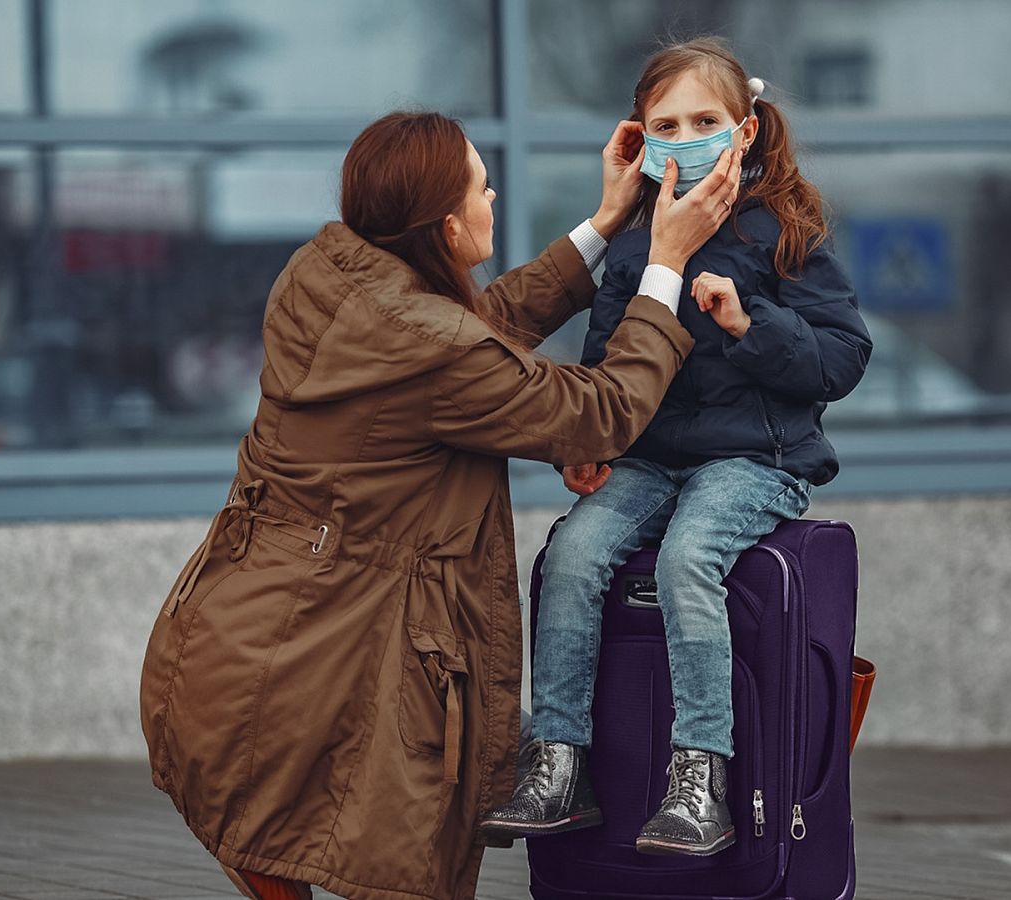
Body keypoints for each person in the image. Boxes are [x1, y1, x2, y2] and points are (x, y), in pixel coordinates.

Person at [140, 109, 741, 900]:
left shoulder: (326, 276)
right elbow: (599, 412)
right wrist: (665, 262)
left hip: (253, 626)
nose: (493, 197)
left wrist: (603, 225)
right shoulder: (430, 345)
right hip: (331, 646)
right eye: (482, 187)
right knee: (376, 851)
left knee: (293, 835)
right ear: (448, 226)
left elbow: (471, 337)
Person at [479, 36, 872, 857]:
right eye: (666, 125)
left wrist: (751, 323)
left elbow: (842, 359)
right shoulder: (634, 238)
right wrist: (587, 442)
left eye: (704, 121)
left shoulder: (785, 228)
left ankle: (700, 779)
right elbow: (607, 354)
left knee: (688, 558)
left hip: (756, 460)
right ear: (639, 138)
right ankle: (557, 762)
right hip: (650, 460)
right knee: (571, 554)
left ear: (746, 130)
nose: (685, 138)